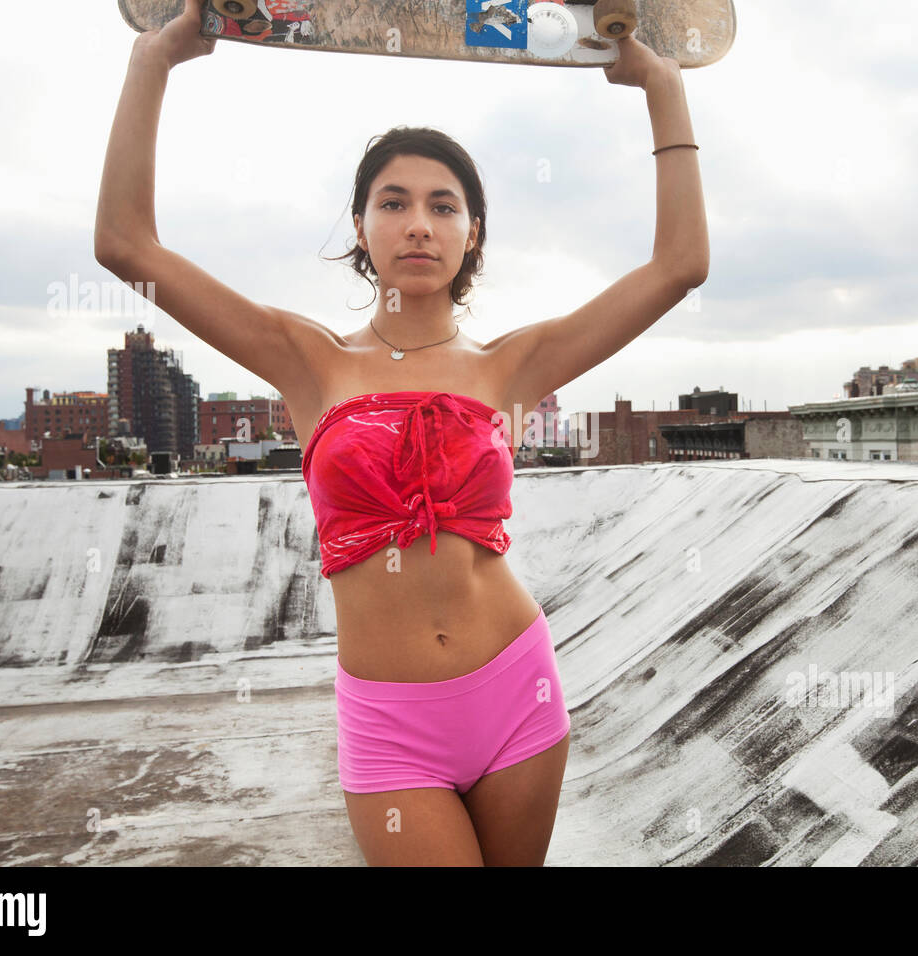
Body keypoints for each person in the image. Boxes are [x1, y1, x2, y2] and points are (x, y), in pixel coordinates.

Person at [94, 0, 708, 866]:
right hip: (390, 728)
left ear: (472, 235)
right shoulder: (305, 361)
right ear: (361, 228)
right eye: (394, 202)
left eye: (444, 205)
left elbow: (680, 265)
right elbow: (125, 247)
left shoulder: (514, 366)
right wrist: (151, 64)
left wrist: (663, 90)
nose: (419, 222)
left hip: (517, 694)